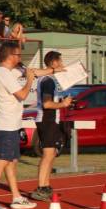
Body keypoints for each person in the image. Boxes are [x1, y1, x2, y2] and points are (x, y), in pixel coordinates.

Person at [0, 41, 53, 209]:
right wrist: (29, 80)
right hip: (6, 123)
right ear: (11, 55)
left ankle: (17, 197)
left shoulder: (12, 71)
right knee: (3, 159)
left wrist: (56, 71)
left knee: (12, 161)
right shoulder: (3, 73)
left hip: (11, 123)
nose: (20, 58)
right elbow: (23, 94)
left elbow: (34, 72)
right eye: (18, 55)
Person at [31, 51, 73, 201]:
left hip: (50, 120)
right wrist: (63, 104)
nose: (62, 64)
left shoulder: (49, 79)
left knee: (52, 154)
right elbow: (47, 103)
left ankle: (46, 186)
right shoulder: (47, 80)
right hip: (47, 120)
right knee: (48, 155)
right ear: (54, 63)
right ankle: (41, 187)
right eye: (60, 61)